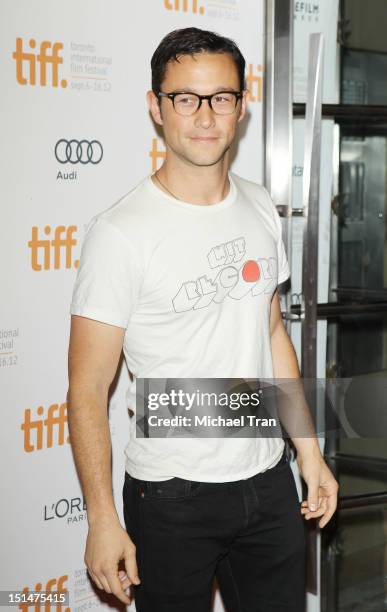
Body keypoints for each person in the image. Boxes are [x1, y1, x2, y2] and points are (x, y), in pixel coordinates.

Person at [67, 26, 339, 612]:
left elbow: (271, 335)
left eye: (221, 97)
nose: (205, 115)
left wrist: (309, 454)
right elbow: (88, 390)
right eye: (185, 98)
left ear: (242, 106)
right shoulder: (120, 233)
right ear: (155, 108)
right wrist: (101, 519)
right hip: (170, 497)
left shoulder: (261, 204)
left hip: (268, 481)